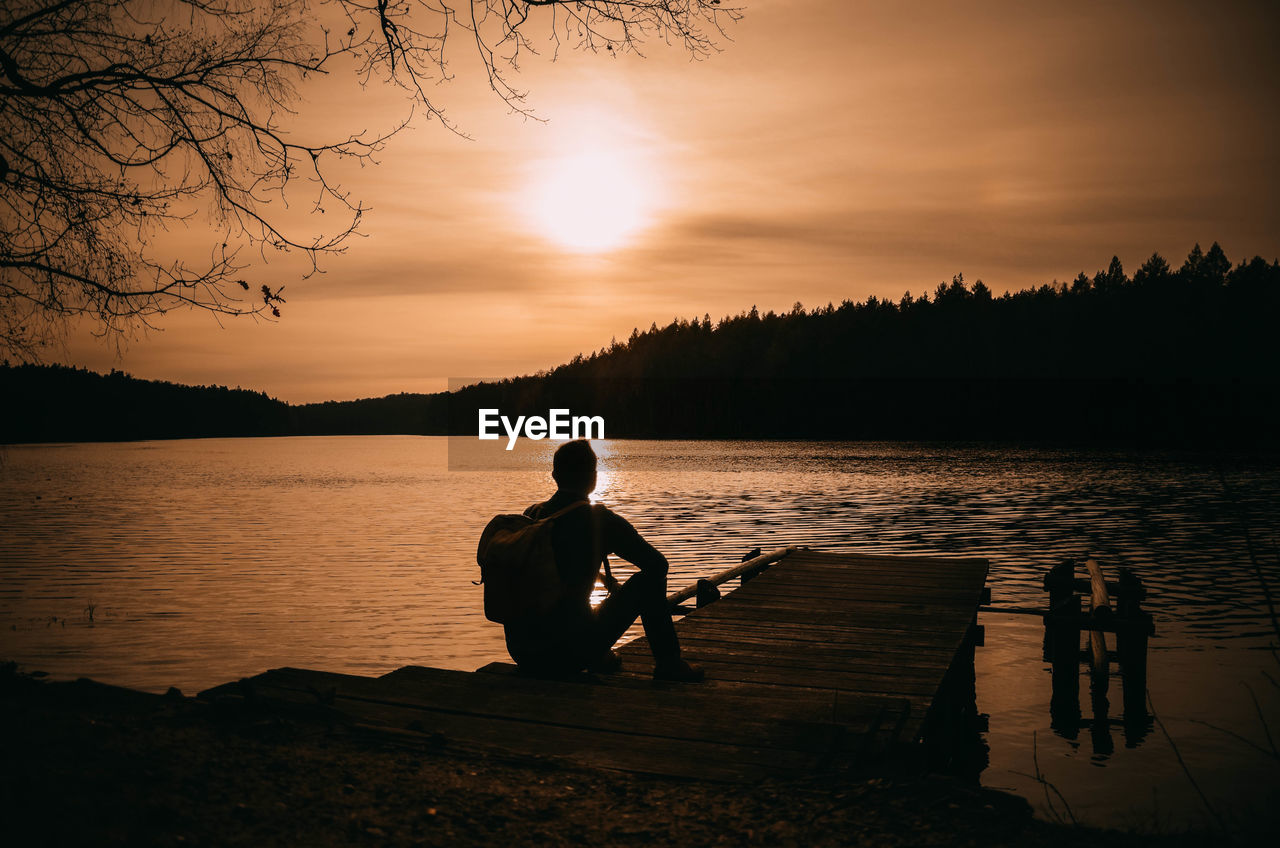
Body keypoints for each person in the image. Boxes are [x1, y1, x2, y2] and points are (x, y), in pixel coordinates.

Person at [503, 439, 704, 682]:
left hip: (523, 651)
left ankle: (595, 654)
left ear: (555, 475)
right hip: (565, 655)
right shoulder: (599, 520)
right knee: (649, 581)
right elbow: (658, 565)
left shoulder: (531, 515)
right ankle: (669, 663)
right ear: (593, 477)